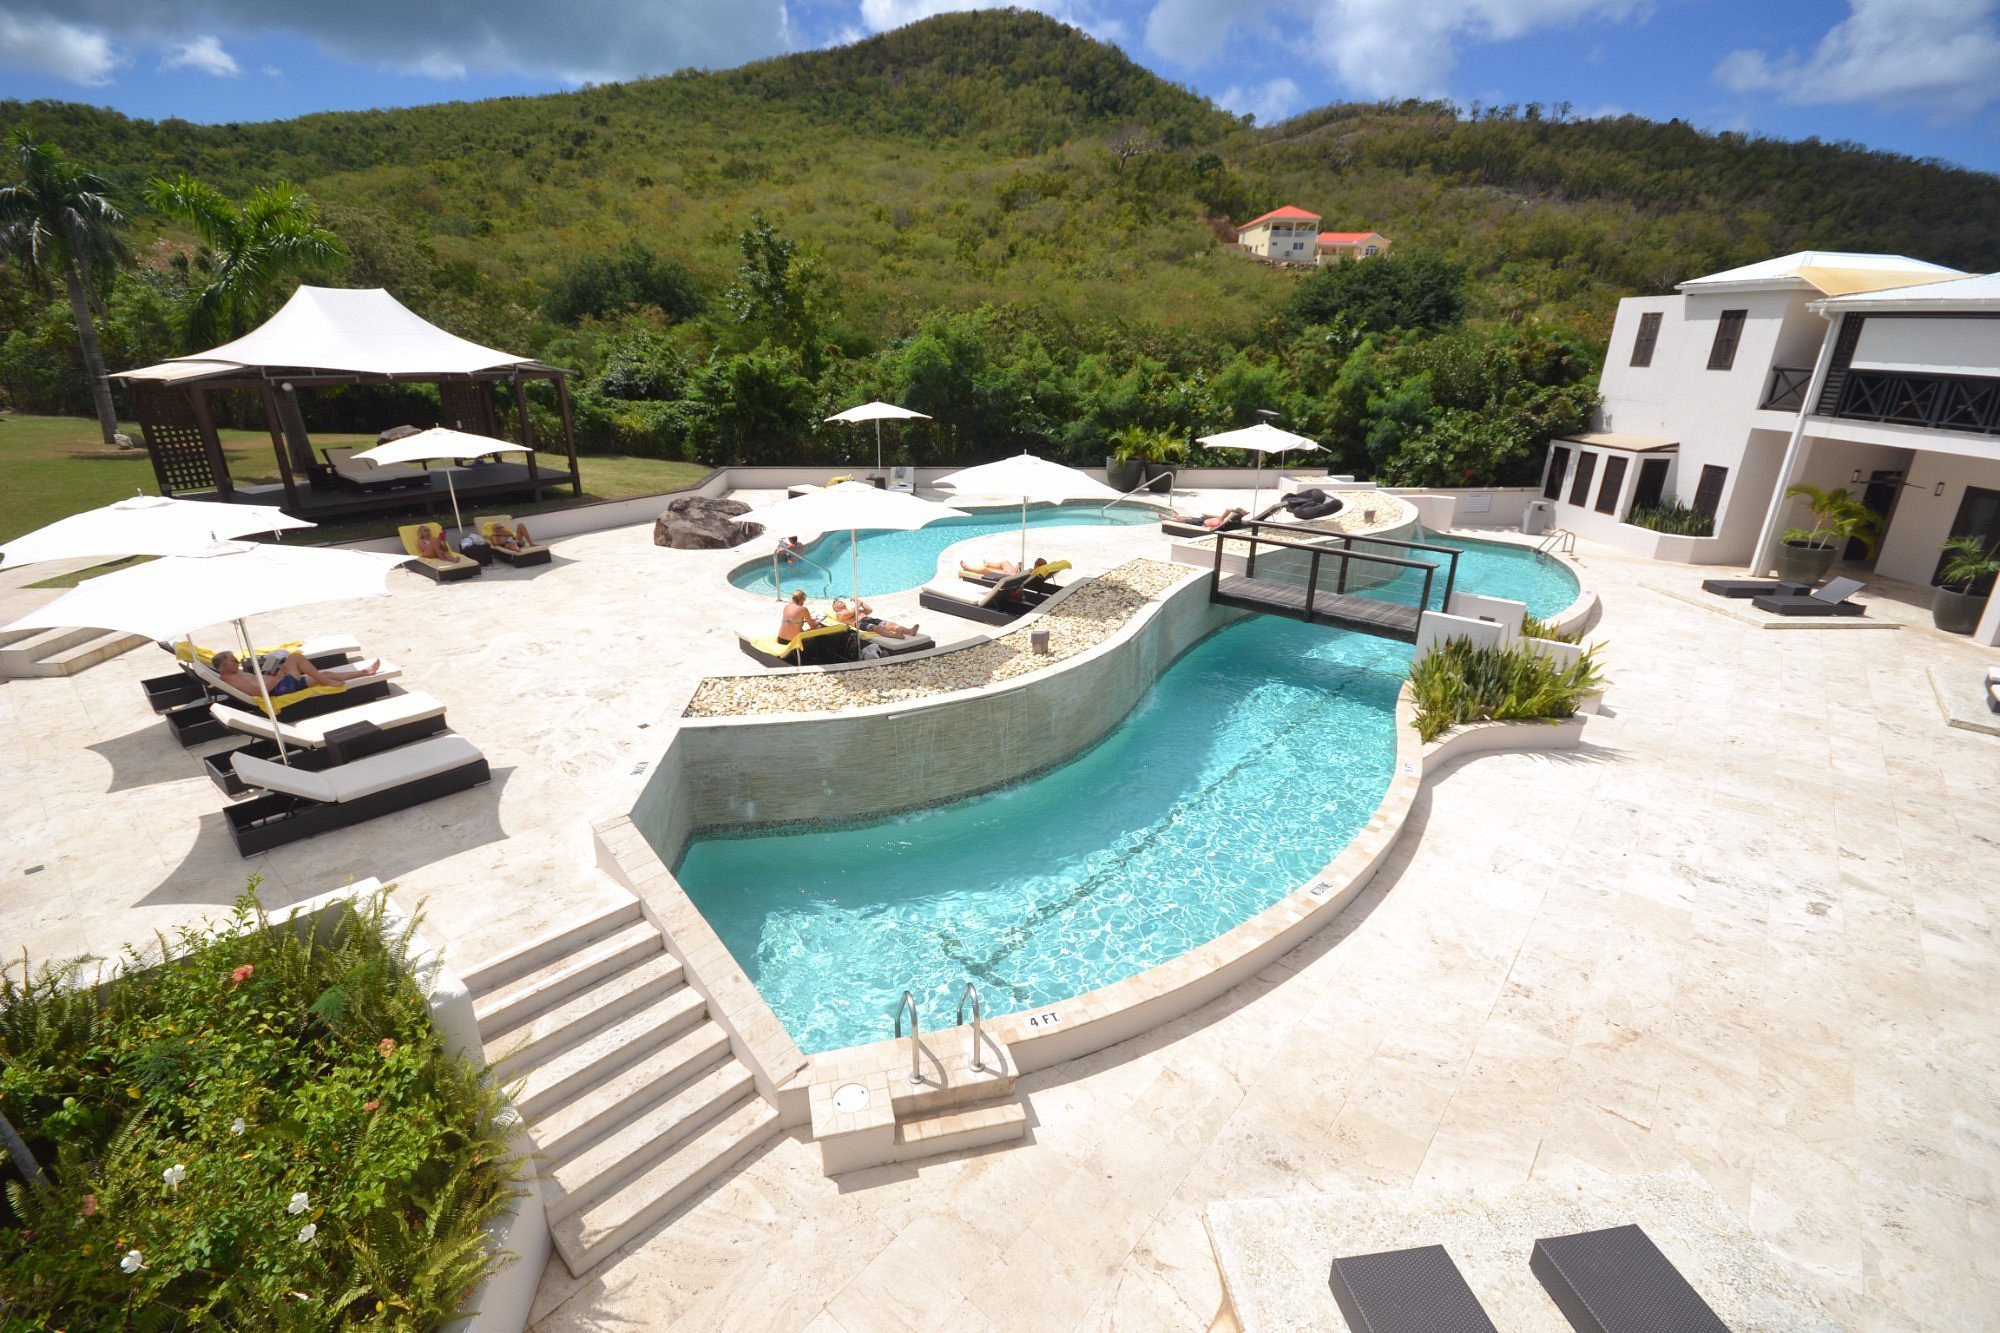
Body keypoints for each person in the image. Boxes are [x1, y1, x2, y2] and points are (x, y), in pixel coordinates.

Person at [212, 650, 382, 699]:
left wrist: (271, 673)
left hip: (279, 683)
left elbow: (257, 683)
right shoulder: (232, 680)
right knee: (295, 657)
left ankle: (365, 672)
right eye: (235, 661)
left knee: (324, 673)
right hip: (280, 689)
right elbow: (258, 692)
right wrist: (277, 678)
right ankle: (325, 681)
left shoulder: (233, 674)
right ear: (224, 666)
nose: (238, 662)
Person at [831, 597, 920, 639]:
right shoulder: (839, 614)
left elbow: (869, 610)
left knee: (891, 624)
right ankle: (896, 635)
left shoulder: (854, 609)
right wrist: (857, 603)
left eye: (841, 601)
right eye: (838, 602)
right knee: (876, 628)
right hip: (860, 623)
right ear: (835, 608)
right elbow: (851, 612)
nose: (841, 602)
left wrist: (861, 603)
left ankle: (910, 631)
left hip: (869, 619)